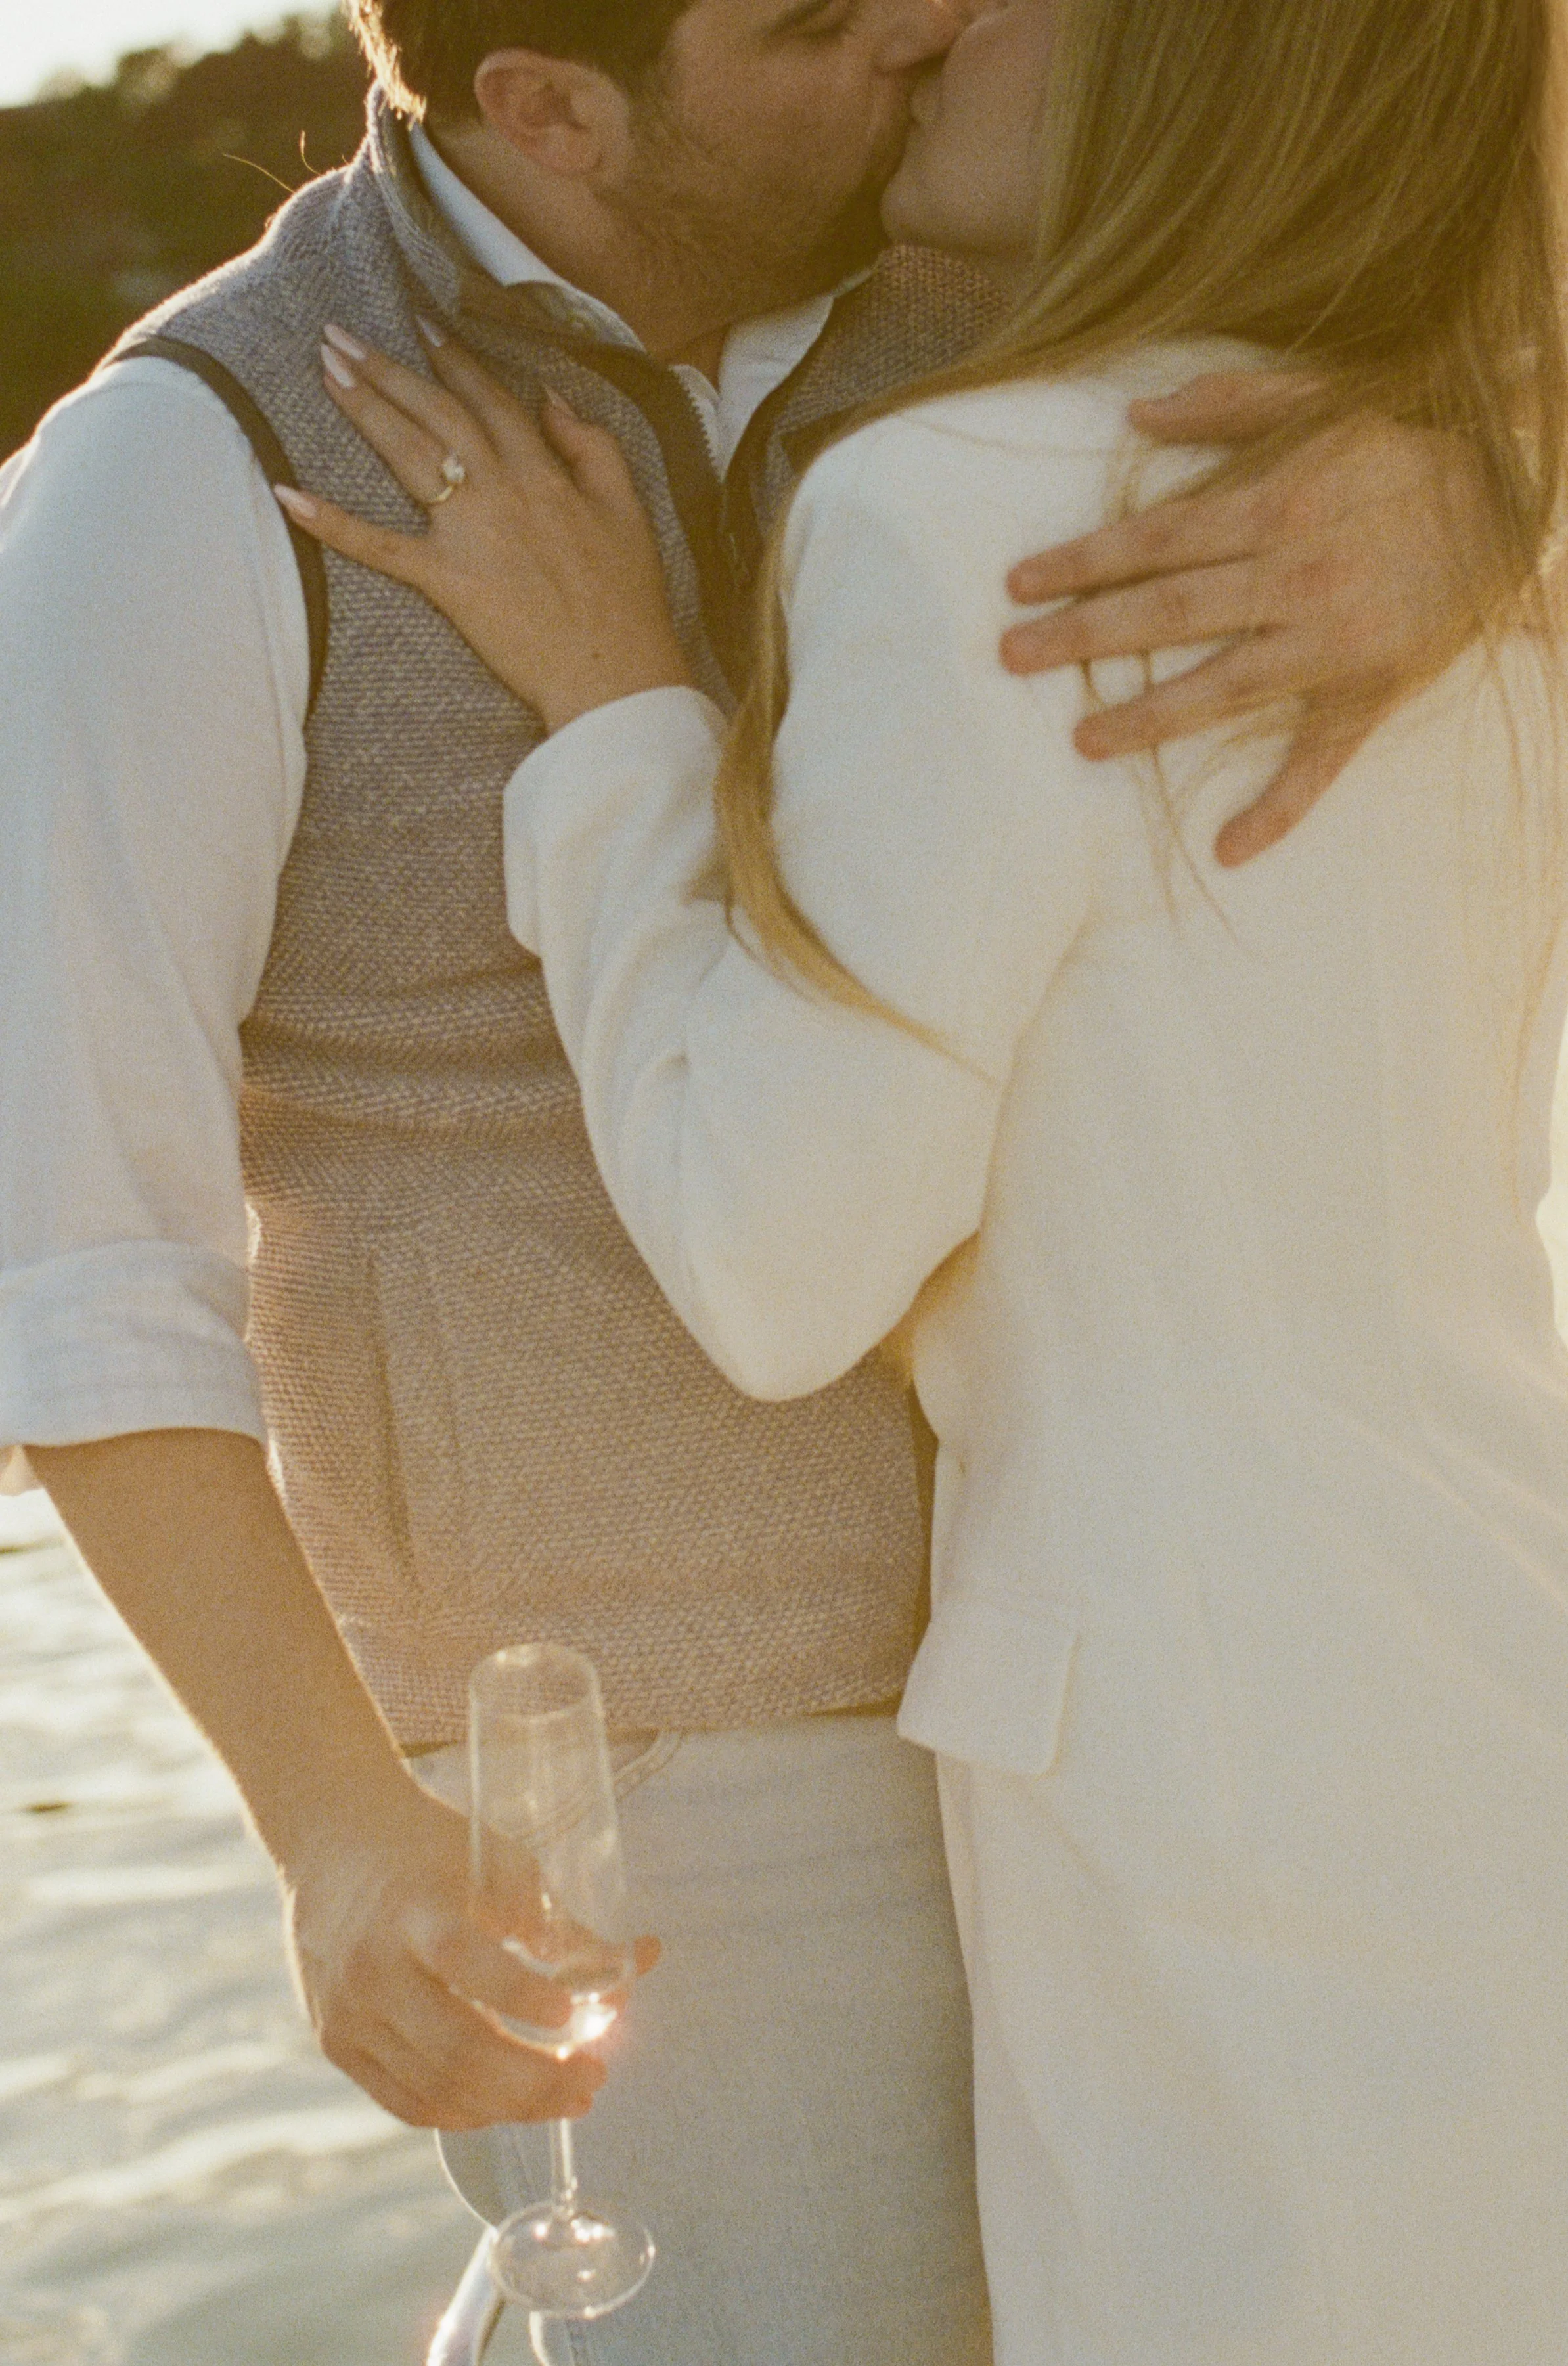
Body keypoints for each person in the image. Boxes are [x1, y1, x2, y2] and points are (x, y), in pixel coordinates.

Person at [0, 0, 1506, 2356]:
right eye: (818, 18)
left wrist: (1498, 488)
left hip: (1101, 1714)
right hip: (678, 1799)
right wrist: (334, 1834)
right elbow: (75, 1253)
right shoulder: (175, 482)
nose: (928, 21)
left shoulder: (999, 318)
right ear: (558, 107)